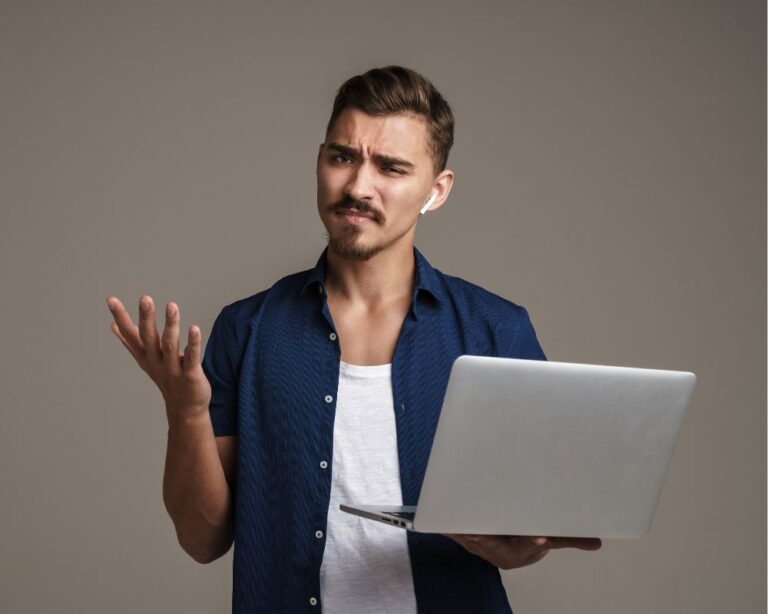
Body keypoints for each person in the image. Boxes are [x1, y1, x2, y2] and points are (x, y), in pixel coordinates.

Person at [106, 65, 601, 613]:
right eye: (342, 157)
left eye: (391, 167)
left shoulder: (495, 330)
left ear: (436, 191)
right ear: (319, 160)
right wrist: (187, 412)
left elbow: (530, 522)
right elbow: (202, 541)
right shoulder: (247, 330)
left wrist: (523, 545)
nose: (357, 187)